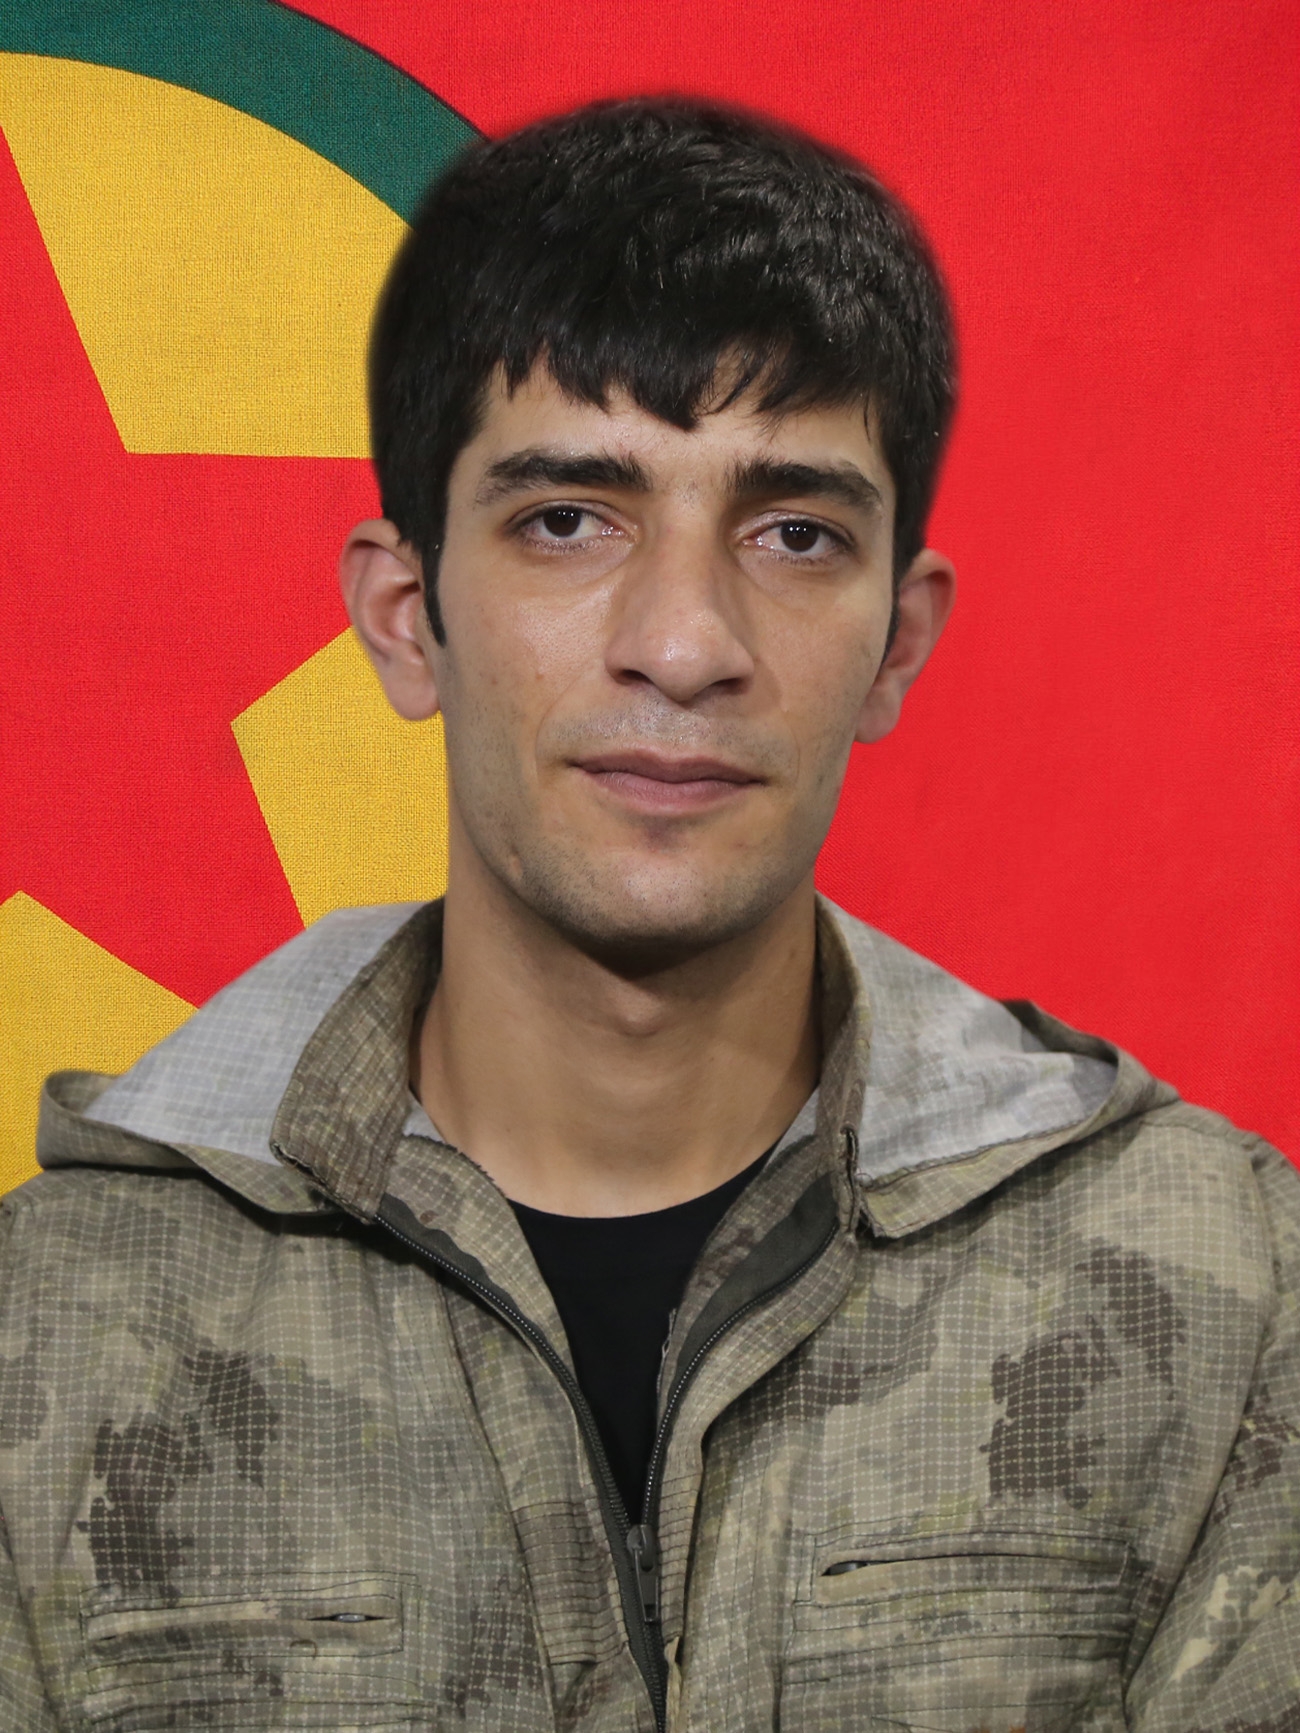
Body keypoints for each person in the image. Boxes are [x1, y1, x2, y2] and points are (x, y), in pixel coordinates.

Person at [1, 98, 1296, 1733]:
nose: (684, 642)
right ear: (405, 617)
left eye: (795, 533)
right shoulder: (49, 1332)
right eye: (567, 520)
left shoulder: (1226, 1287)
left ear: (896, 643)